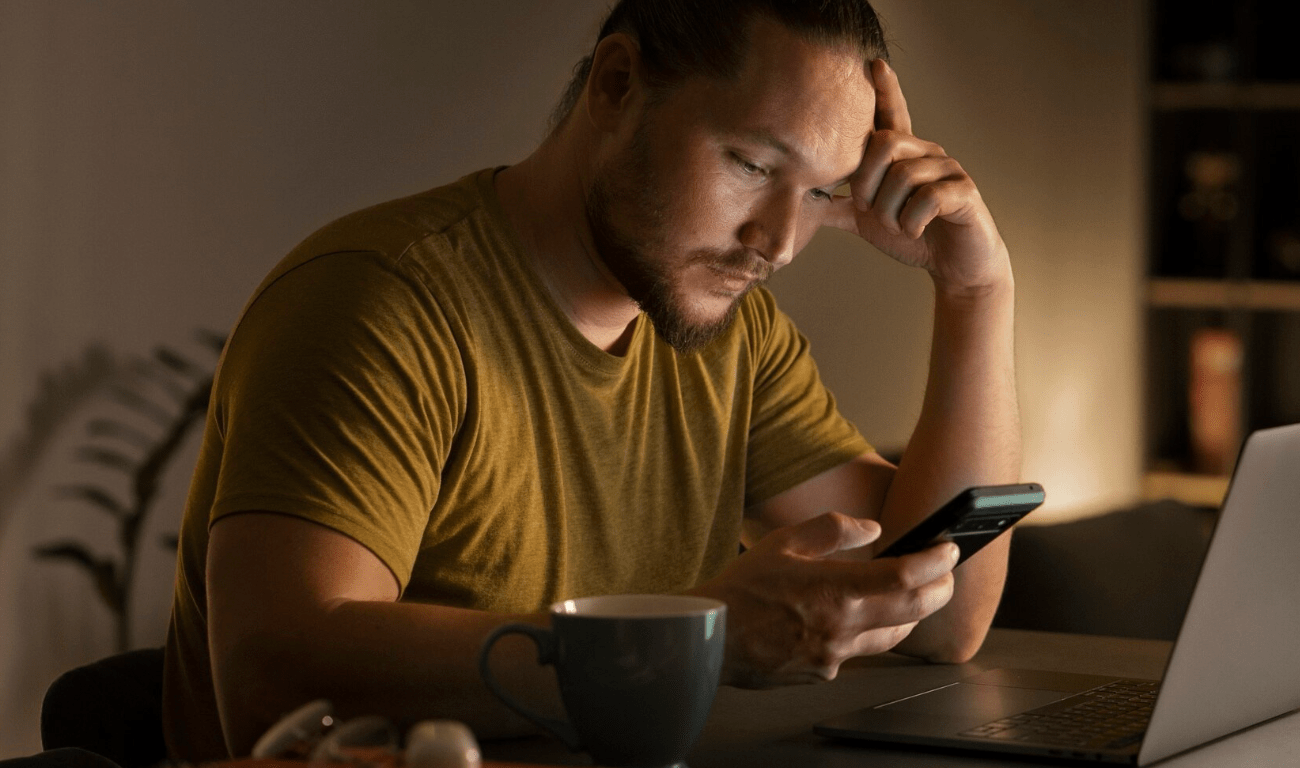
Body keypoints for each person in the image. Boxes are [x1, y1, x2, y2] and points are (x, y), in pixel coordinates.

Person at [162, 0, 1021, 760]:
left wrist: (976, 291)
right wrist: (701, 642)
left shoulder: (732, 338)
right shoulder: (380, 304)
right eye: (754, 166)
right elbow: (271, 687)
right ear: (615, 85)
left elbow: (942, 617)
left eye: (823, 192)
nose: (780, 242)